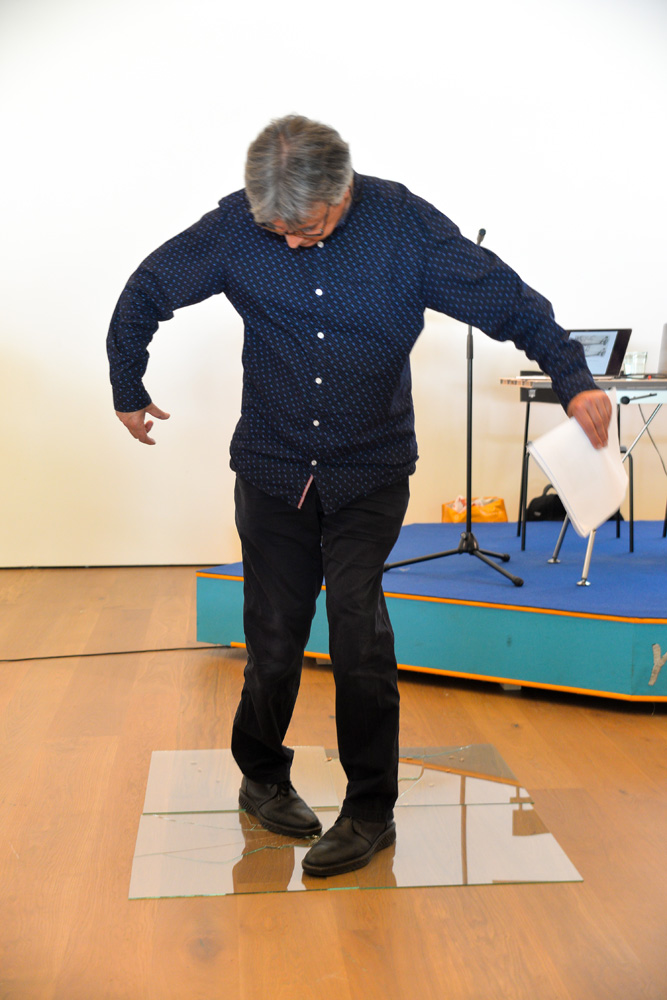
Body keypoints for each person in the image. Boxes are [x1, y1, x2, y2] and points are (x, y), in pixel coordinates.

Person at [107, 114, 611, 878]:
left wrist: (573, 379)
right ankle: (261, 777)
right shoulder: (236, 227)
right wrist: (127, 384)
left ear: (341, 195)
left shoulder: (404, 227)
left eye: (305, 227)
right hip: (273, 466)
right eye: (274, 229)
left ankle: (371, 809)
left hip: (369, 468)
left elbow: (507, 300)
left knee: (356, 630)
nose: (289, 241)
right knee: (273, 636)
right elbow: (149, 286)